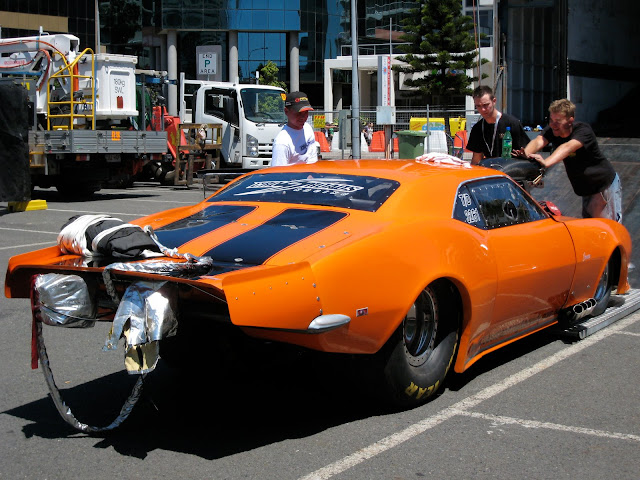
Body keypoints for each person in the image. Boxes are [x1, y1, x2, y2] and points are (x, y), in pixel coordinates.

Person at [516, 99, 622, 222]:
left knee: (607, 227)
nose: (553, 125)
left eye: (557, 121)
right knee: (591, 226)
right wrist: (526, 153)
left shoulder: (583, 131)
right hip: (587, 188)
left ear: (570, 121)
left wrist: (546, 162)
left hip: (603, 185)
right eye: (551, 120)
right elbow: (538, 141)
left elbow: (567, 147)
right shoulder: (552, 130)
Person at [467, 85, 529, 165]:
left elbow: (527, 151)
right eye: (478, 106)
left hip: (511, 168)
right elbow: (476, 159)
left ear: (494, 101)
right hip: (491, 169)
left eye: (486, 105)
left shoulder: (512, 123)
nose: (482, 109)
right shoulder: (477, 128)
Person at [271, 91, 318, 167]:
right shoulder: (282, 143)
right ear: (286, 111)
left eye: (306, 112)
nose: (303, 117)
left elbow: (312, 159)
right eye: (298, 113)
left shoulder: (308, 128)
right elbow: (278, 172)